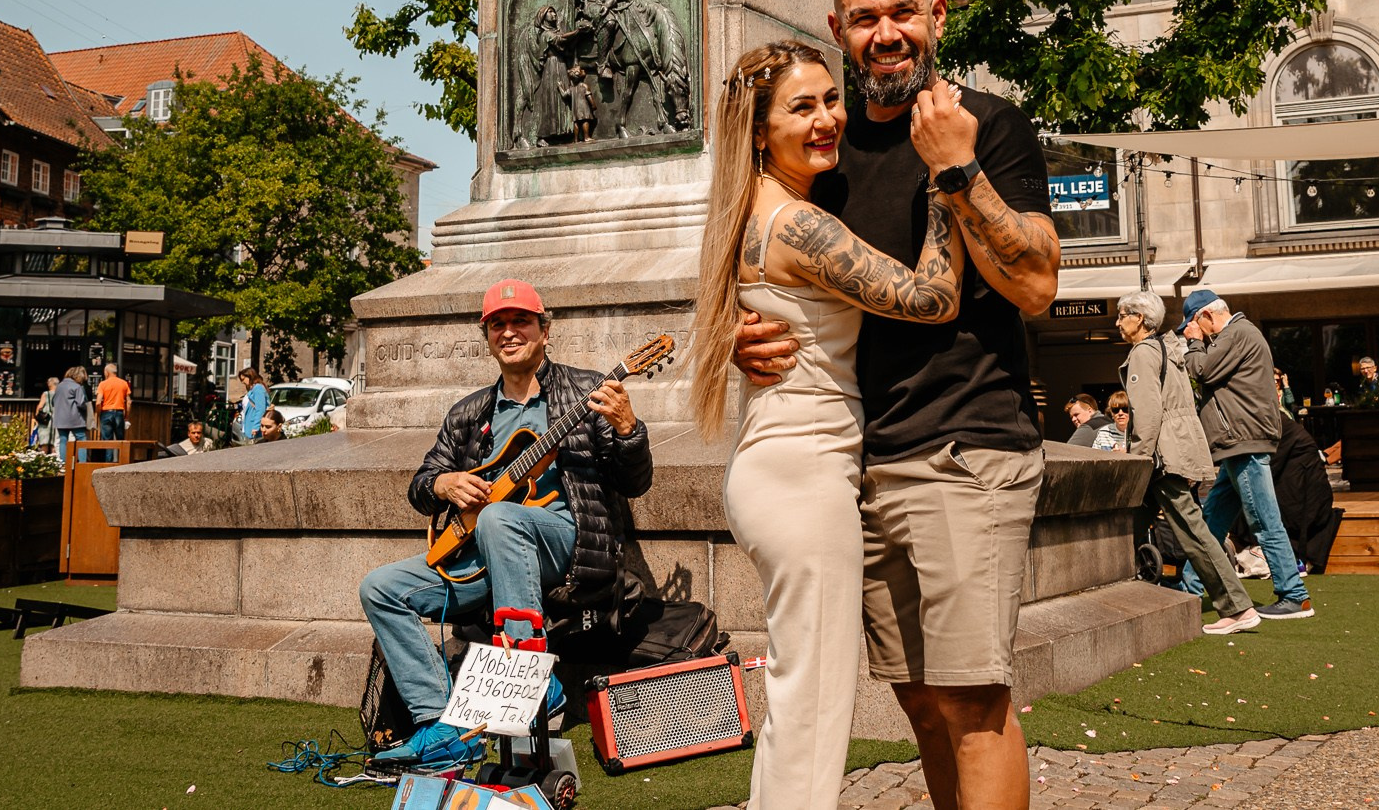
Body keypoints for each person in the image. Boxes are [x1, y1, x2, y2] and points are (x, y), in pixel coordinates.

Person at [734, 0, 1061, 810]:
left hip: (964, 445)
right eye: (865, 18)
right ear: (837, 29)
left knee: (972, 697)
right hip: (859, 463)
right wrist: (744, 333)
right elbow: (791, 275)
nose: (887, 34)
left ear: (938, 14)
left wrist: (956, 170)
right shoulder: (826, 155)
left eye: (903, 12)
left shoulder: (986, 124)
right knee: (918, 700)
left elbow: (1034, 283)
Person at [691, 39, 965, 810]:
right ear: (758, 128)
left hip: (783, 465)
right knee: (811, 709)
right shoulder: (798, 227)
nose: (826, 119)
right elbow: (932, 297)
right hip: (805, 474)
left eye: (828, 99)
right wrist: (948, 179)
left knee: (800, 696)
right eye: (801, 106)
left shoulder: (749, 212)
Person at [360, 279, 652, 769]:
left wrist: (627, 428)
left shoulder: (586, 392)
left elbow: (635, 481)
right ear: (487, 336)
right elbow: (421, 484)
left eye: (521, 321)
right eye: (499, 324)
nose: (509, 332)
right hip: (481, 555)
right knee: (381, 587)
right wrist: (445, 485)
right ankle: (443, 726)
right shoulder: (469, 413)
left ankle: (531, 681)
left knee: (499, 516)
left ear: (544, 330)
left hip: (569, 548)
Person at [1115, 292, 1260, 635]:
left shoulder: (1143, 355)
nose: (1118, 322)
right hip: (1177, 451)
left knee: (1193, 532)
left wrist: (1137, 460)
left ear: (1140, 319)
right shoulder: (1168, 349)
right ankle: (1115, 591)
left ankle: (1238, 608)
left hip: (1161, 460)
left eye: (1123, 315)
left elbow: (1148, 415)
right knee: (1126, 526)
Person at [1181, 291, 1313, 621]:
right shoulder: (1241, 334)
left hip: (1243, 441)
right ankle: (1189, 586)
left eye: (1194, 325)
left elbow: (1202, 371)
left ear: (1205, 317)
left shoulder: (1237, 333)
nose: (1194, 332)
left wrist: (1195, 344)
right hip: (1239, 442)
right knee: (1212, 520)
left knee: (1264, 520)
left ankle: (1293, 595)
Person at [51, 367, 91, 463]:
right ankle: (82, 464)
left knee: (63, 440)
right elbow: (80, 403)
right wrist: (87, 409)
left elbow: (53, 402)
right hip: (75, 419)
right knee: (81, 439)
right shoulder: (77, 387)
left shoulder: (59, 386)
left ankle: (64, 464)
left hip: (60, 418)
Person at [95, 362, 131, 442]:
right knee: (121, 441)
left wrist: (98, 414)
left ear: (107, 372)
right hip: (119, 413)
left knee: (107, 442)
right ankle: (122, 455)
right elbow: (129, 402)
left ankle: (109, 455)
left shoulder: (102, 384)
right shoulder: (124, 383)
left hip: (106, 413)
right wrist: (126, 417)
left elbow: (98, 402)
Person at [236, 369, 268, 446]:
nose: (242, 382)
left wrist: (256, 427)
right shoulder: (253, 389)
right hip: (250, 427)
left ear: (250, 376)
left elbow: (260, 409)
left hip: (256, 430)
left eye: (243, 379)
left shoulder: (258, 388)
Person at [32, 376, 59, 450]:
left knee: (45, 441)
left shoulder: (46, 394)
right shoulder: (60, 393)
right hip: (58, 419)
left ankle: (44, 459)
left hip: (46, 420)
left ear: (50, 384)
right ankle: (54, 459)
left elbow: (40, 406)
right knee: (55, 443)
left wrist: (37, 417)